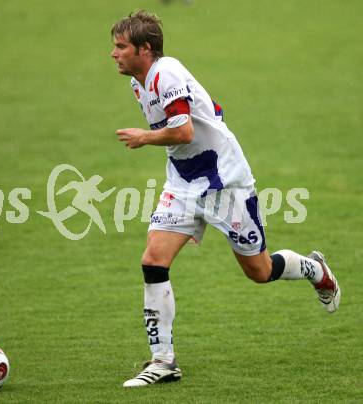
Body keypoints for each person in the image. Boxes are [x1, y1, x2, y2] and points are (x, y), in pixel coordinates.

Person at [110, 10, 341, 388]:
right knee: (153, 259)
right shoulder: (140, 83)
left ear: (145, 49)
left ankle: (315, 270)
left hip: (225, 186)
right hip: (183, 185)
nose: (114, 54)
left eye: (121, 47)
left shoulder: (165, 72)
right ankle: (163, 360)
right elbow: (209, 111)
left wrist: (145, 138)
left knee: (260, 272)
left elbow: (183, 132)